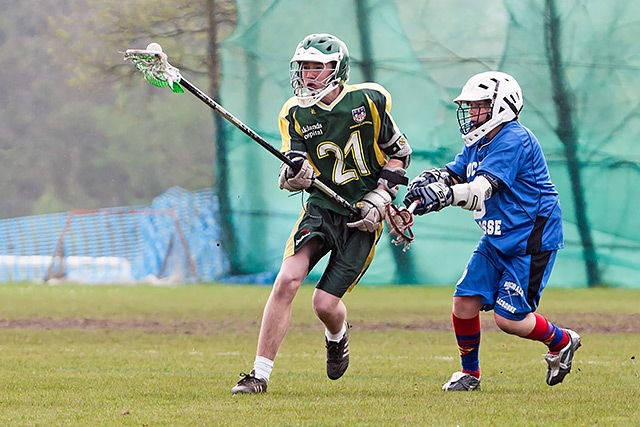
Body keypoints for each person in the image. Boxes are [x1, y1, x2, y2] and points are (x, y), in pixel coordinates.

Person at [231, 33, 412, 394]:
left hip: (361, 216)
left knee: (324, 304)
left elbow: (400, 154)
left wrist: (380, 196)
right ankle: (259, 375)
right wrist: (294, 176)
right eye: (303, 67)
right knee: (287, 280)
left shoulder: (369, 100)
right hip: (321, 209)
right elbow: (293, 162)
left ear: (337, 69)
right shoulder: (295, 111)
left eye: (316, 66)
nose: (307, 74)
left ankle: (337, 334)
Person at [403, 71, 581, 391]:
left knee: (509, 320)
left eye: (478, 105)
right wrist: (432, 183)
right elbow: (456, 176)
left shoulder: (514, 138)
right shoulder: (478, 141)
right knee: (464, 302)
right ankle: (471, 374)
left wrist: (446, 195)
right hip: (498, 235)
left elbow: (481, 189)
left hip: (530, 237)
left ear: (501, 105)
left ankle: (563, 341)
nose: (471, 112)